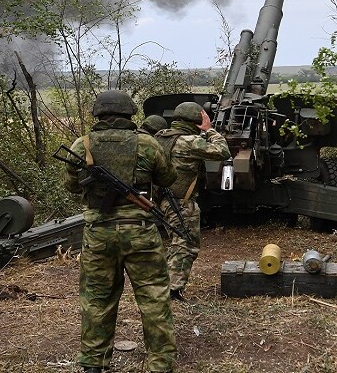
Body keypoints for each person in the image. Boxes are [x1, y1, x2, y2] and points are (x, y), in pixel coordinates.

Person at [63, 90, 178, 373]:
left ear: (98, 114)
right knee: (153, 298)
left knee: (96, 299)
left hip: (98, 234)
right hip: (141, 234)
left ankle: (92, 363)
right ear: (129, 114)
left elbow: (72, 186)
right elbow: (168, 178)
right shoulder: (148, 144)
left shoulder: (82, 145)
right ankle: (161, 363)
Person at [155, 101, 231, 301]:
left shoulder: (161, 137)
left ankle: (167, 285)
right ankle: (172, 290)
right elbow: (223, 151)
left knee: (176, 242)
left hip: (160, 200)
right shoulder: (189, 141)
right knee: (185, 244)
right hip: (180, 202)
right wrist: (210, 130)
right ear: (195, 122)